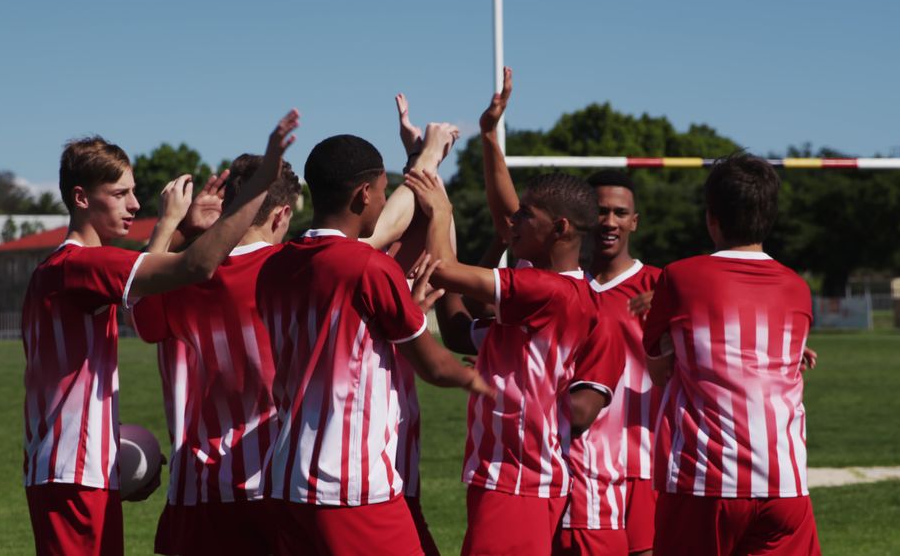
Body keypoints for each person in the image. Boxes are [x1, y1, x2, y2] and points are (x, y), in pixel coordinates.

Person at [21, 110, 298, 555]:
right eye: (120, 193)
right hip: (73, 469)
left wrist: (185, 228)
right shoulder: (81, 265)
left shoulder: (60, 268)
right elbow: (196, 266)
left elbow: (155, 290)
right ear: (81, 198)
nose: (135, 205)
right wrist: (255, 186)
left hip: (71, 467)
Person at [256, 133, 491, 556]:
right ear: (364, 194)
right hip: (350, 484)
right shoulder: (370, 268)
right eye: (384, 193)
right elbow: (435, 366)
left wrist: (402, 309)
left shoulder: (275, 265)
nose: (385, 204)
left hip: (285, 476)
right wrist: (483, 381)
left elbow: (338, 332)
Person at [405, 164, 623, 555]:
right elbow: (457, 329)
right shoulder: (541, 305)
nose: (513, 219)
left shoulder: (546, 290)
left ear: (560, 229)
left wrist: (441, 211)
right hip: (508, 477)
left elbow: (444, 272)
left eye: (526, 214)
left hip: (519, 479)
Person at [642, 154, 820, 556]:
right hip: (785, 483)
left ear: (712, 218)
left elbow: (657, 366)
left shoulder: (680, 277)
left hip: (704, 481)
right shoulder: (797, 288)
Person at [129, 154, 303, 555]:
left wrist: (175, 227)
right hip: (282, 479)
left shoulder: (180, 276)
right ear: (282, 215)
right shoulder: (297, 271)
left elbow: (141, 310)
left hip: (199, 485)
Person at [557, 170, 662, 556]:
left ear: (634, 221)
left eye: (620, 212)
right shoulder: (563, 285)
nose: (610, 222)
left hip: (642, 461)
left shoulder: (662, 286)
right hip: (571, 461)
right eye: (601, 211)